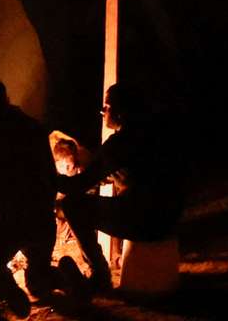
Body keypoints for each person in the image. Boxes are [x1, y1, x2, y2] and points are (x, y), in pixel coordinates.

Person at [59, 83, 185, 292]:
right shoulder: (157, 134)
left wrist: (47, 177)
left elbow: (78, 185)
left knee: (73, 205)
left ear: (121, 112)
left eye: (106, 107)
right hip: (171, 216)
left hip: (146, 222)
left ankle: (99, 273)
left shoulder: (121, 143)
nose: (102, 112)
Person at [0, 80, 57, 316]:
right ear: (7, 99)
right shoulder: (33, 128)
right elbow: (50, 179)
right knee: (37, 281)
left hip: (7, 222)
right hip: (40, 221)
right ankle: (56, 276)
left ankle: (7, 284)